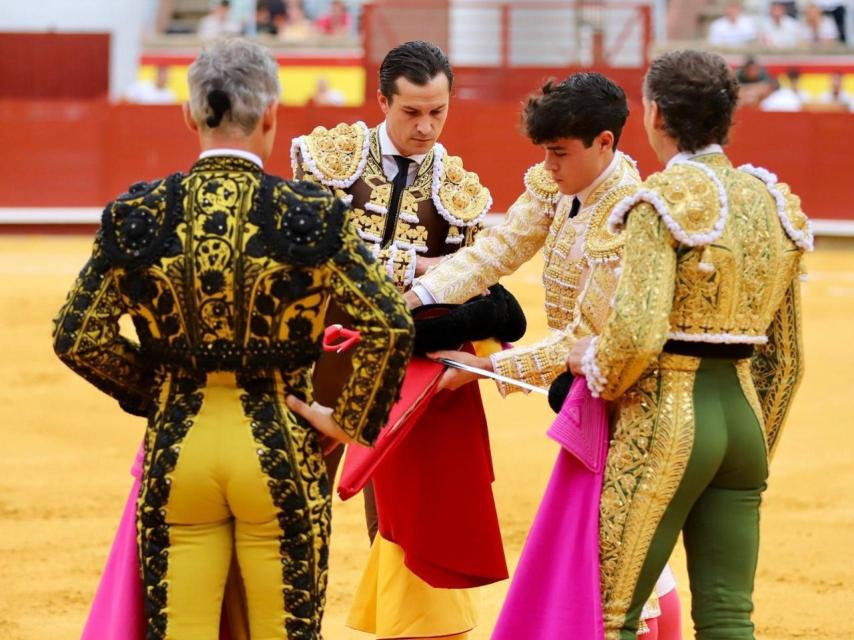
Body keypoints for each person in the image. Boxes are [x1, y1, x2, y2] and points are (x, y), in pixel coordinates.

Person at [53, 38, 413, 639]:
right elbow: (389, 323)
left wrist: (158, 390)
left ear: (190, 114)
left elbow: (77, 335)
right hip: (278, 445)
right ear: (271, 113)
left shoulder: (140, 213)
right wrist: (347, 420)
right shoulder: (310, 213)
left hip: (180, 447)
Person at [405, 72, 679, 640]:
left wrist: (492, 367)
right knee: (616, 535)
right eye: (545, 153)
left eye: (561, 153)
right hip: (581, 386)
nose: (550, 166)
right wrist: (417, 297)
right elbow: (499, 249)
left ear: (605, 143)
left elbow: (585, 337)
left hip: (621, 390)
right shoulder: (560, 185)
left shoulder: (626, 218)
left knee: (613, 538)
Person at [568, 48, 811, 639]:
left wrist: (590, 362)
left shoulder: (662, 200)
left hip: (668, 420)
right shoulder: (771, 202)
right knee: (729, 617)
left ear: (653, 113)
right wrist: (751, 451)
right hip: (744, 422)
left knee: (609, 614)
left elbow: (637, 333)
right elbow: (788, 358)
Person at [291, 40, 502, 640]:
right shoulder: (326, 158)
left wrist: (478, 353)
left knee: (403, 519)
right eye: (411, 112)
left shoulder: (460, 190)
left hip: (407, 371)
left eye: (438, 111)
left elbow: (474, 297)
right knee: (288, 500)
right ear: (382, 100)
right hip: (321, 358)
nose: (426, 126)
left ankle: (410, 630)